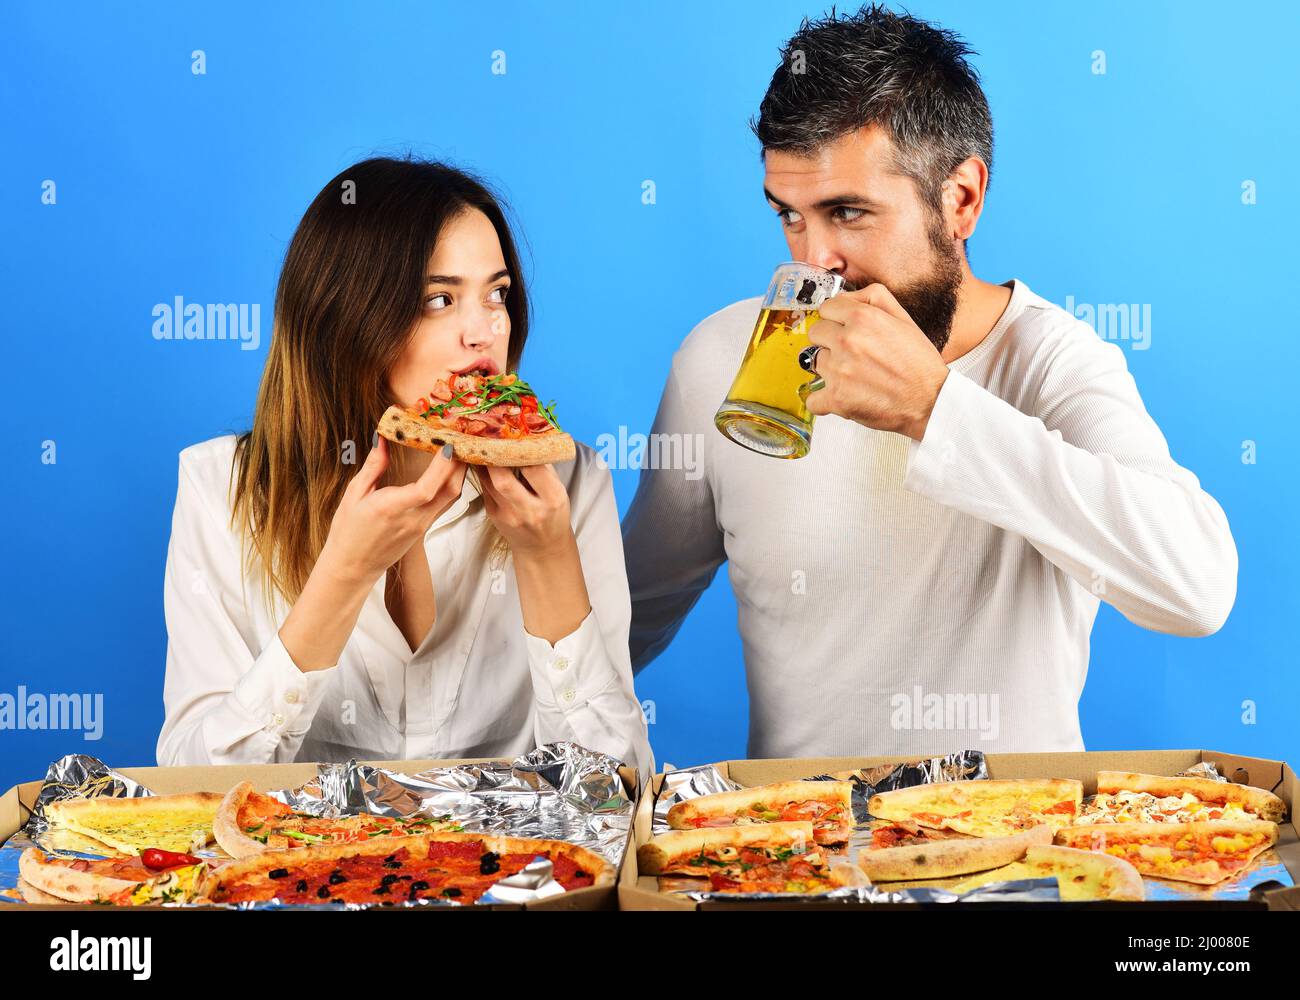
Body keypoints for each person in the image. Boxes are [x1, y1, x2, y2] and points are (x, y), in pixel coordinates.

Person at [621, 6, 1237, 759]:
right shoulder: (725, 358)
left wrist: (935, 409)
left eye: (848, 212)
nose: (814, 261)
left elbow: (1198, 588)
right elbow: (630, 622)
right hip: (793, 857)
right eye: (789, 215)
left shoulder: (1052, 360)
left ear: (962, 199)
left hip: (1017, 859)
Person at [157, 157, 651, 775]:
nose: (485, 331)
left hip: (509, 869)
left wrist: (546, 556)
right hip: (299, 870)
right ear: (346, 319)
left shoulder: (570, 481)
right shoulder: (220, 487)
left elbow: (617, 790)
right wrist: (343, 574)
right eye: (439, 300)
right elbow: (190, 788)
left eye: (497, 294)